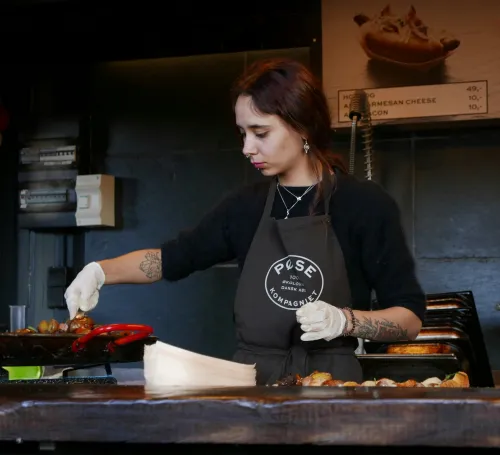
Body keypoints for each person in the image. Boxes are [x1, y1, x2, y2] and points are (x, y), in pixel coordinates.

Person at [64, 58, 426, 385]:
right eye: (243, 133)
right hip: (253, 388)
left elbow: (409, 319)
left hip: (331, 389)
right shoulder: (244, 208)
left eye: (261, 132)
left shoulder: (363, 204)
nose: (247, 148)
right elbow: (172, 258)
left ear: (302, 127)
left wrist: (346, 321)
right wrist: (99, 271)